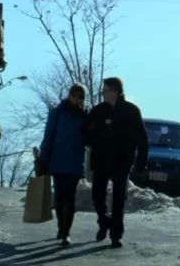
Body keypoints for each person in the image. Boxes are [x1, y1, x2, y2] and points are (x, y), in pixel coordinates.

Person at [86, 77, 148, 248]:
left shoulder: (131, 111)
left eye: (106, 90)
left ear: (115, 91)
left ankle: (116, 234)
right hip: (101, 159)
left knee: (119, 198)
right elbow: (86, 134)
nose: (103, 93)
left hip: (122, 160)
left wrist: (141, 163)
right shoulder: (98, 111)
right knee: (97, 195)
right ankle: (104, 221)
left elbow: (142, 139)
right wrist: (98, 134)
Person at [37, 84, 89, 245]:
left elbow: (88, 139)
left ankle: (66, 231)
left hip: (74, 161)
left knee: (70, 197)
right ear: (69, 95)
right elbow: (49, 136)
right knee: (60, 196)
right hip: (58, 160)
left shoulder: (85, 116)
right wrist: (43, 159)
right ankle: (61, 225)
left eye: (80, 96)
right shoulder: (58, 112)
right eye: (74, 95)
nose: (76, 99)